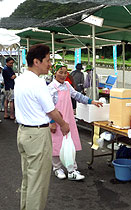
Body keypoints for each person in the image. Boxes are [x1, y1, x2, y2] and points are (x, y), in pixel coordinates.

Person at [14, 44, 70, 210]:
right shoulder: (38, 83)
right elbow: (51, 111)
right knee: (38, 184)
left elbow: (35, 106)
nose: (50, 64)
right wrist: (64, 124)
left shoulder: (21, 79)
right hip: (37, 135)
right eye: (47, 60)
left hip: (23, 133)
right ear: (36, 62)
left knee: (28, 179)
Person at [48, 61, 103, 181]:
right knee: (57, 144)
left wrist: (91, 101)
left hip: (69, 119)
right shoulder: (51, 87)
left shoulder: (67, 85)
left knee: (70, 145)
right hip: (57, 121)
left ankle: (72, 169)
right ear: (54, 73)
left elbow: (77, 95)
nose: (63, 75)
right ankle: (57, 168)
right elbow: (49, 107)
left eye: (65, 72)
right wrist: (52, 122)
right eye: (60, 72)